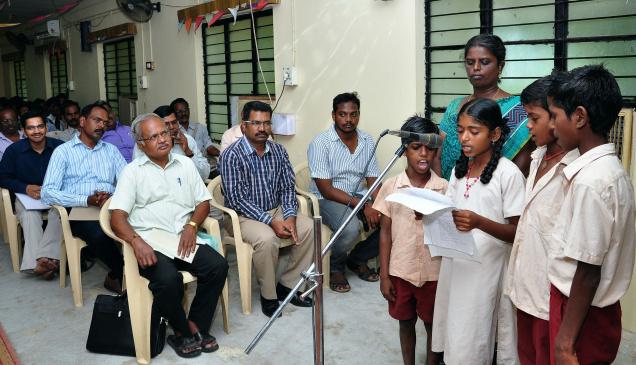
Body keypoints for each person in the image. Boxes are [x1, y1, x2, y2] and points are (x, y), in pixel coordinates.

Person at [110, 113, 228, 358]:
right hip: (149, 241)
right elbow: (117, 217)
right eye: (153, 137)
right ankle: (181, 331)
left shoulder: (185, 164)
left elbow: (203, 202)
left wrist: (192, 226)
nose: (162, 139)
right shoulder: (132, 172)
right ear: (141, 144)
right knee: (168, 279)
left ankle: (196, 324)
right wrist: (135, 241)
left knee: (217, 266)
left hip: (181, 237)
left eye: (164, 132)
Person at [546, 65, 635, 365]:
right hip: (594, 311)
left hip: (581, 315)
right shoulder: (612, 171)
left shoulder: (591, 182)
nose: (553, 126)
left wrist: (566, 342)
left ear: (580, 117)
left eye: (556, 116)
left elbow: (587, 271)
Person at [431, 98, 525, 364]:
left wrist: (479, 222)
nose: (464, 138)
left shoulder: (508, 174)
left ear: (494, 134)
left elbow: (517, 232)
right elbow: (450, 211)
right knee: (455, 329)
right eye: (460, 130)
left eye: (474, 131)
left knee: (474, 335)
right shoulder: (460, 171)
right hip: (457, 263)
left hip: (487, 268)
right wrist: (429, 214)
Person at [503, 75, 579, 365]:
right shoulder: (537, 158)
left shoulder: (574, 170)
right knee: (528, 356)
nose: (529, 127)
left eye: (534, 118)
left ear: (557, 116)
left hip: (553, 295)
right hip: (524, 284)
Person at [219, 101, 314, 317]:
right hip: (242, 216)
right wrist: (270, 221)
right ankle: (269, 296)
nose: (262, 128)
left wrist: (289, 216)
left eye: (266, 123)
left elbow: (288, 187)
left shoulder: (279, 151)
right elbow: (236, 198)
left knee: (309, 227)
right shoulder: (231, 155)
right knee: (267, 238)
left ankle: (289, 285)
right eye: (256, 123)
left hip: (276, 209)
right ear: (244, 126)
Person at [375, 116, 447, 365]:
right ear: (405, 149)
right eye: (416, 148)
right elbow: (385, 232)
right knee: (405, 322)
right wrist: (384, 276)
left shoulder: (444, 189)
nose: (423, 154)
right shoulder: (391, 186)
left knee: (432, 325)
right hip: (400, 270)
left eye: (429, 148)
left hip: (434, 272)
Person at [41, 102, 127, 293]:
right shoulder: (63, 152)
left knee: (141, 223)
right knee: (98, 232)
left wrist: (111, 195)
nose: (101, 126)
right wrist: (86, 200)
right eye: (97, 120)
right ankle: (125, 274)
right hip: (79, 211)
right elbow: (47, 192)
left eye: (105, 122)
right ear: (82, 121)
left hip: (109, 206)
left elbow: (127, 182)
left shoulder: (111, 151)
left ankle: (117, 275)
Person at [307, 92, 380, 293]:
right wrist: (364, 204)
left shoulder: (367, 139)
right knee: (350, 229)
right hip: (328, 199)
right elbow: (326, 189)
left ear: (359, 115)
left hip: (359, 195)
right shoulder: (321, 143)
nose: (348, 120)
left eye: (353, 114)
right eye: (342, 114)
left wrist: (376, 202)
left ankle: (357, 258)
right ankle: (336, 266)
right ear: (333, 115)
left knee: (394, 215)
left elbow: (373, 177)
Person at [436, 34, 533, 179]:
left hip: (492, 192)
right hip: (449, 193)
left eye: (484, 62)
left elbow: (522, 167)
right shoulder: (454, 106)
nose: (476, 68)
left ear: (500, 66)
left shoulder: (518, 109)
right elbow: (438, 154)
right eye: (470, 62)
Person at [0, 111, 64, 279]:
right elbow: (2, 177)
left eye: (40, 126)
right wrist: (25, 187)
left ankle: (43, 261)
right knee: (29, 215)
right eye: (31, 128)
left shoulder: (60, 147)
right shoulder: (14, 151)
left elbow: (73, 174)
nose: (36, 131)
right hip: (26, 197)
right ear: (24, 130)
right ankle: (46, 262)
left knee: (59, 214)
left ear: (46, 127)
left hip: (55, 196)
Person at [133, 105, 210, 180]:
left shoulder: (188, 140)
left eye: (174, 122)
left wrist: (187, 151)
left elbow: (204, 175)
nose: (172, 127)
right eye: (166, 124)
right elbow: (139, 176)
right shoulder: (145, 143)